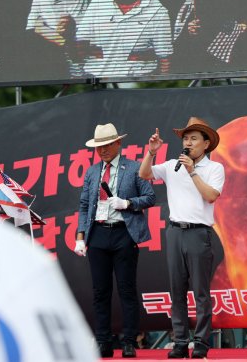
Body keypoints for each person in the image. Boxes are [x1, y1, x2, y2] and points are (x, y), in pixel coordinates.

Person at [139, 117, 225, 359]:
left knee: (200, 292)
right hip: (175, 232)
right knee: (177, 290)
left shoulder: (215, 169)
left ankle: (201, 342)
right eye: (186, 138)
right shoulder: (170, 165)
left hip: (199, 233)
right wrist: (151, 152)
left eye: (194, 138)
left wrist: (193, 172)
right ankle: (180, 342)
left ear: (206, 144)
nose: (188, 142)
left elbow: (210, 196)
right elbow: (144, 174)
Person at [75, 123, 156, 358]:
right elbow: (83, 206)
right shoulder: (92, 172)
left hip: (124, 232)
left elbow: (150, 197)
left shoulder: (133, 168)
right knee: (100, 291)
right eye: (99, 146)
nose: (103, 150)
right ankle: (103, 341)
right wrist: (80, 236)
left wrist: (128, 203)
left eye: (107, 145)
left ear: (118, 143)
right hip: (98, 233)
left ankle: (129, 341)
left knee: (127, 289)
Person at [75, 0, 173, 77]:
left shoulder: (159, 12)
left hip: (137, 85)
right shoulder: (98, 2)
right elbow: (78, 50)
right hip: (96, 84)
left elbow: (165, 61)